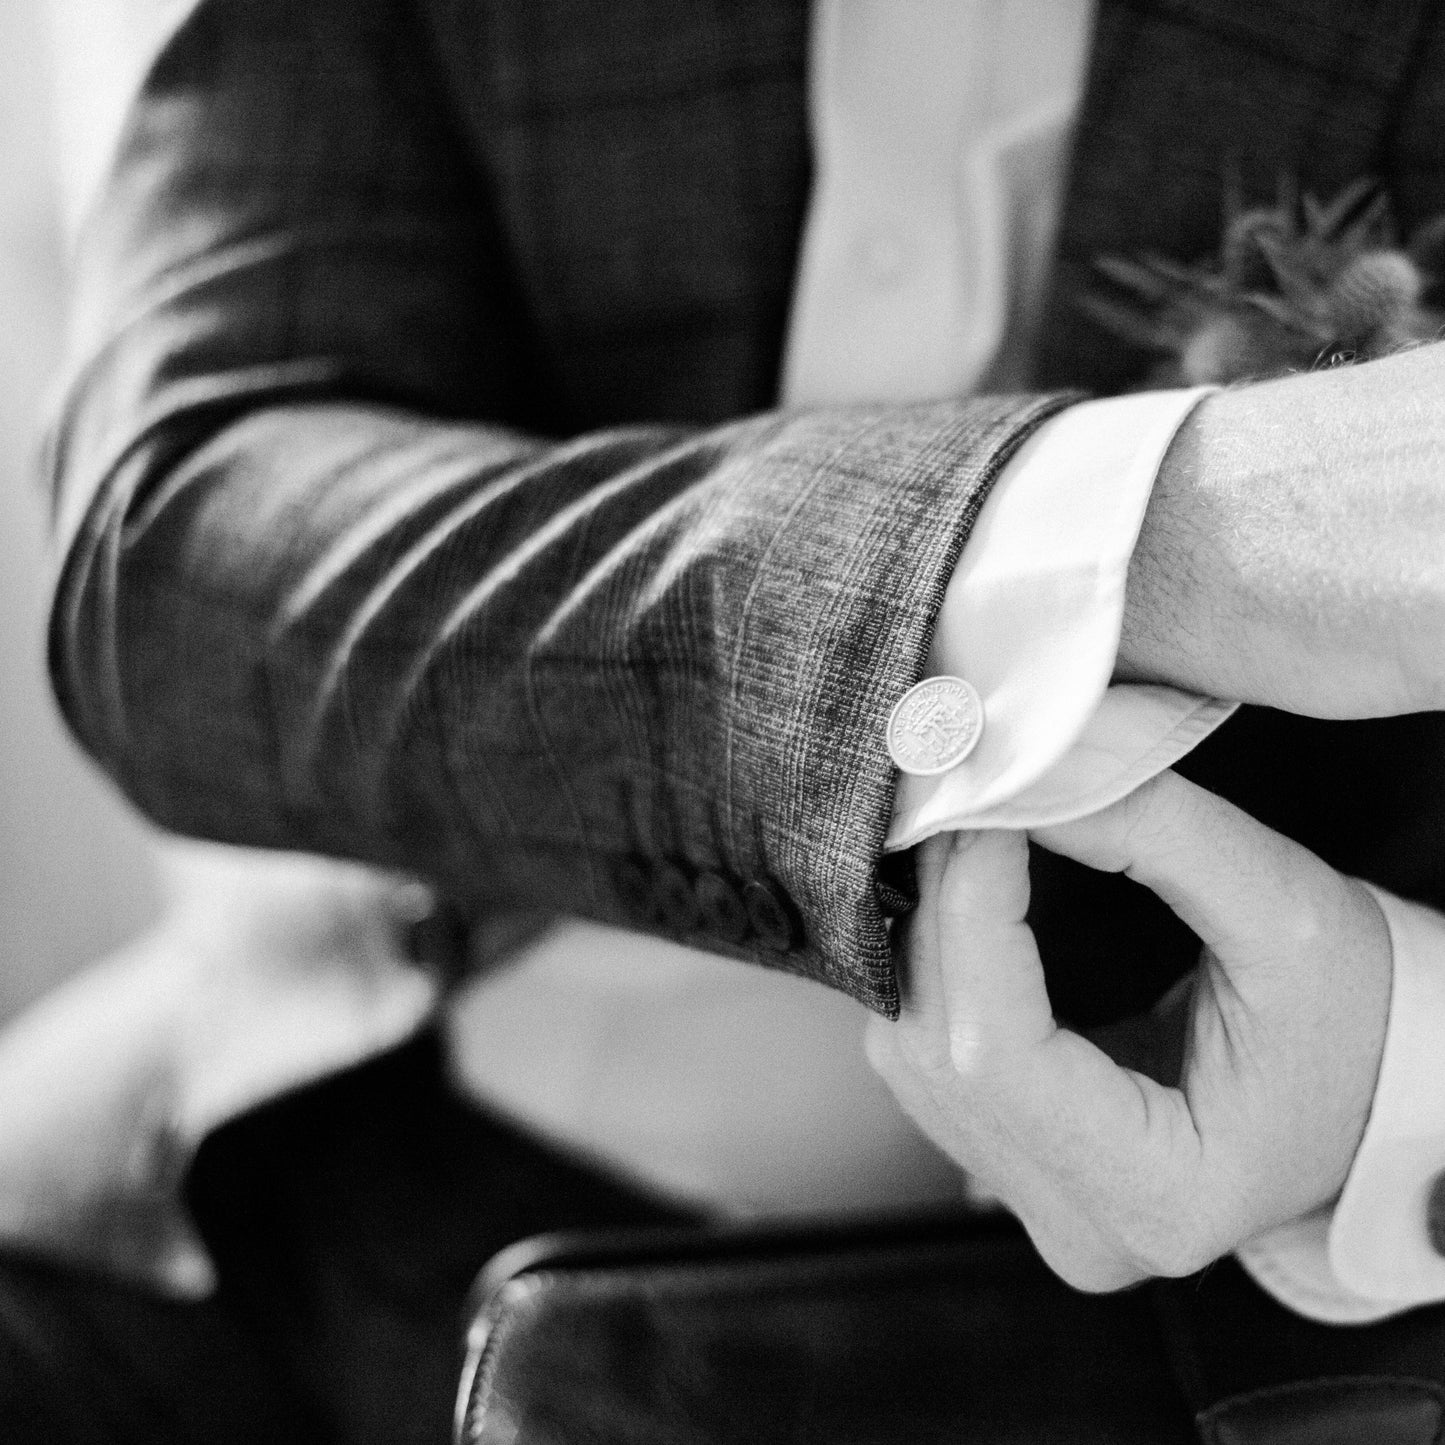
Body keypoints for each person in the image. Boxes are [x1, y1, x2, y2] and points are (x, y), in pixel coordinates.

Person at [10, 0, 1445, 1440]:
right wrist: (1130, 537)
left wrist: (1416, 1081)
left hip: (1238, 1330)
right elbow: (179, 559)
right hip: (297, 1154)